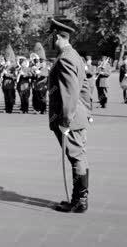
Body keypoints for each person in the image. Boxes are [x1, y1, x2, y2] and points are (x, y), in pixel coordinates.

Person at [46, 19, 90, 213]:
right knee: (79, 156)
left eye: (49, 36)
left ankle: (80, 200)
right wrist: (88, 112)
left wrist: (65, 121)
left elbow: (70, 94)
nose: (47, 40)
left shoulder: (65, 58)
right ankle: (79, 198)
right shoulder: (74, 55)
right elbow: (86, 87)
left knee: (76, 157)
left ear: (56, 36)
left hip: (69, 119)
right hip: (78, 116)